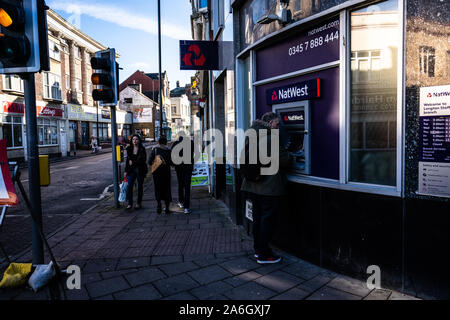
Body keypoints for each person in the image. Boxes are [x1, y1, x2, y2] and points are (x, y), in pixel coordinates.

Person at [241, 112, 290, 264]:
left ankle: (258, 250)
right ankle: (264, 255)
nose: (278, 127)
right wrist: (291, 153)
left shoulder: (252, 135)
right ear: (270, 123)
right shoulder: (271, 139)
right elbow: (286, 161)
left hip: (252, 184)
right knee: (267, 221)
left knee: (258, 219)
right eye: (277, 124)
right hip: (268, 187)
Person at [171, 133, 195, 214]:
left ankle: (181, 202)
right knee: (187, 187)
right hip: (188, 168)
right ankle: (187, 207)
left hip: (179, 168)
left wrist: (173, 165)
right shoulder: (191, 142)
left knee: (180, 185)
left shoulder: (175, 143)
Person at [149, 135, 172, 214]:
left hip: (157, 173)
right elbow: (172, 163)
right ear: (166, 142)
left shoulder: (155, 150)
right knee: (167, 189)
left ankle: (159, 205)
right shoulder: (169, 151)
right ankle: (167, 208)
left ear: (158, 142)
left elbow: (149, 161)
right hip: (166, 173)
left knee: (158, 189)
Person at [124, 134, 148, 210]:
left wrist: (133, 162)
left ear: (139, 140)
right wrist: (125, 170)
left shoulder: (142, 149)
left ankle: (138, 203)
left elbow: (142, 160)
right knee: (129, 186)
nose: (134, 141)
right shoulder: (129, 149)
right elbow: (128, 161)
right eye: (133, 139)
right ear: (131, 140)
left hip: (140, 170)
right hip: (131, 170)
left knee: (139, 187)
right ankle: (130, 203)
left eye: (136, 139)